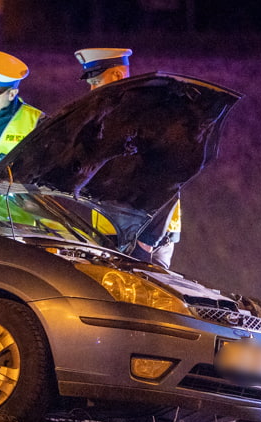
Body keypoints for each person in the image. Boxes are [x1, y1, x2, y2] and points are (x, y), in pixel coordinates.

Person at [74, 47, 181, 268]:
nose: (92, 91)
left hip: (145, 238)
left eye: (96, 82)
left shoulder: (149, 116)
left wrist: (145, 244)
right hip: (111, 236)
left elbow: (169, 178)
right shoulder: (106, 118)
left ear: (117, 76)